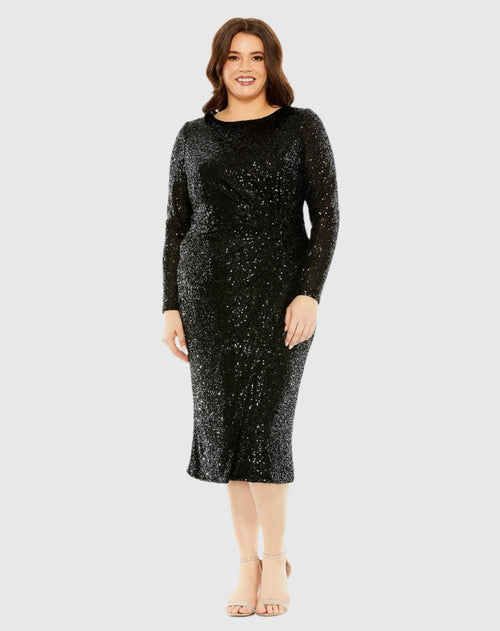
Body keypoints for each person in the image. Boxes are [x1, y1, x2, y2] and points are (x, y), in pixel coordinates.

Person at [161, 17, 340, 617]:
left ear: (271, 64)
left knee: (266, 429)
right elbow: (176, 225)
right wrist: (170, 305)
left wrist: (309, 293)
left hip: (279, 297)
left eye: (256, 56)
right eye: (234, 56)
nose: (245, 67)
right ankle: (247, 564)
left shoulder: (301, 126)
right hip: (207, 297)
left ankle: (277, 559)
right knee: (226, 433)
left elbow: (327, 215)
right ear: (219, 65)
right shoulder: (192, 137)